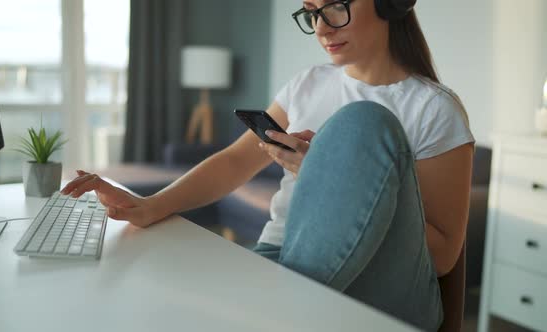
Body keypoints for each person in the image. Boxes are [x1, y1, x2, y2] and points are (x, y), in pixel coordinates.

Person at [62, 0, 474, 330]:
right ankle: (275, 304)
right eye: (311, 13)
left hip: (383, 282)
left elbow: (441, 256)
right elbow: (234, 162)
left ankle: (272, 307)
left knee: (363, 123)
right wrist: (153, 204)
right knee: (159, 291)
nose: (322, 28)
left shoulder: (433, 109)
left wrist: (329, 178)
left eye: (334, 7)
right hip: (282, 258)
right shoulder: (309, 83)